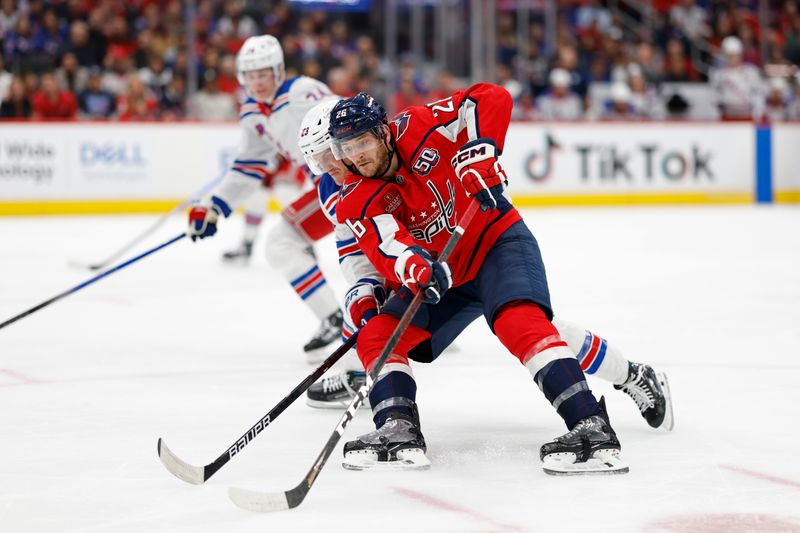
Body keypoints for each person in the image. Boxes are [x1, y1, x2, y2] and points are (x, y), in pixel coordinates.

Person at [297, 99, 674, 434]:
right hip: (437, 274)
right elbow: (366, 254)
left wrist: (480, 150)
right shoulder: (341, 193)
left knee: (524, 325)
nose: (336, 164)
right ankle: (396, 427)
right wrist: (367, 294)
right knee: (377, 333)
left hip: (490, 245)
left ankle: (623, 384)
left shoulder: (416, 129)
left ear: (378, 133)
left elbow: (486, 98)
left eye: (336, 152)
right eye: (324, 157)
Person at [186, 34, 343, 363]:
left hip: (347, 180)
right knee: (282, 243)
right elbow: (249, 165)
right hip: (327, 186)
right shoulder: (252, 112)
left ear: (278, 71)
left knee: (372, 253)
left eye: (264, 74)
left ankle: (404, 315)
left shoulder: (302, 92)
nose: (258, 82)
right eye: (251, 75)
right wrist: (214, 205)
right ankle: (336, 317)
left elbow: (349, 118)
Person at [710, 36, 764, 120]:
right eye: (729, 55)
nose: (733, 58)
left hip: (747, 115)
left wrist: (757, 114)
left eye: (735, 55)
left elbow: (758, 94)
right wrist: (716, 116)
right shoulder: (719, 74)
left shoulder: (751, 72)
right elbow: (713, 97)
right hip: (726, 116)